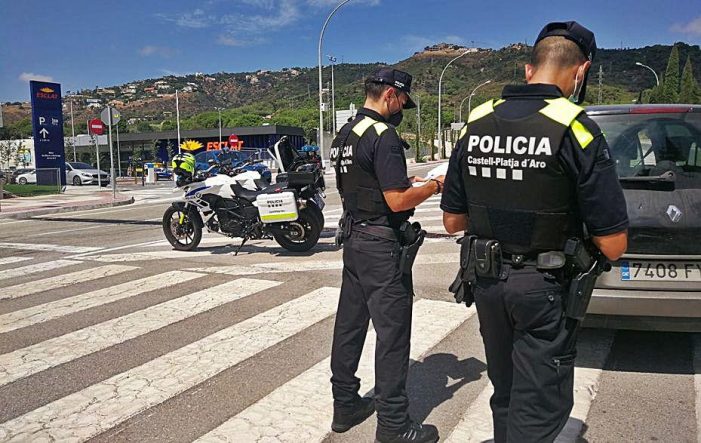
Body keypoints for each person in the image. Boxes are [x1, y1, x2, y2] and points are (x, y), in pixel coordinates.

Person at [441, 21, 628, 442]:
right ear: (581, 71)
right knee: (541, 405)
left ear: (529, 70)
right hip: (543, 287)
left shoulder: (477, 120)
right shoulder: (576, 127)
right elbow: (614, 243)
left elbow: (452, 221)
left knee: (505, 392)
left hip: (487, 282)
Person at [329, 68, 444, 443]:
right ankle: (394, 425)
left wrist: (405, 185)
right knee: (393, 335)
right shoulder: (385, 135)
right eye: (402, 103)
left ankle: (345, 403)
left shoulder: (345, 133)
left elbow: (368, 185)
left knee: (349, 325)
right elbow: (396, 200)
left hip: (354, 240)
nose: (401, 111)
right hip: (381, 246)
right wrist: (432, 185)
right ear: (391, 96)